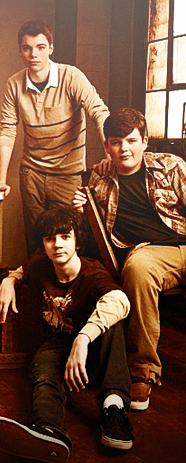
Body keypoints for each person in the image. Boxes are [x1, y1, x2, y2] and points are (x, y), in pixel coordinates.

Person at [0, 208, 134, 463]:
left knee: (112, 326)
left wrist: (83, 338)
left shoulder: (93, 272)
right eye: (50, 238)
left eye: (65, 236)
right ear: (43, 245)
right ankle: (48, 430)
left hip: (93, 352)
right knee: (43, 374)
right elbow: (21, 270)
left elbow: (120, 300)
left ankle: (114, 410)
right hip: (57, 346)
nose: (57, 244)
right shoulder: (40, 266)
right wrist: (9, 281)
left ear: (77, 242)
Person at [73, 108, 186, 411]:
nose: (125, 148)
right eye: (117, 142)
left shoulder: (171, 166)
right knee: (137, 268)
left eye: (132, 141)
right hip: (151, 254)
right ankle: (143, 369)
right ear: (107, 146)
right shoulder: (99, 178)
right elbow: (87, 239)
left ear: (145, 142)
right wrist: (80, 210)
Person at [0, 19, 109, 255]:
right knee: (37, 243)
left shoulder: (71, 76)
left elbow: (99, 113)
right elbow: (8, 129)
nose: (34, 54)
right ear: (20, 51)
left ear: (51, 48)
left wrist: (108, 156)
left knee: (68, 242)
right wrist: (0, 178)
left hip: (68, 174)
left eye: (40, 47)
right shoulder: (13, 84)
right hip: (32, 173)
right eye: (27, 48)